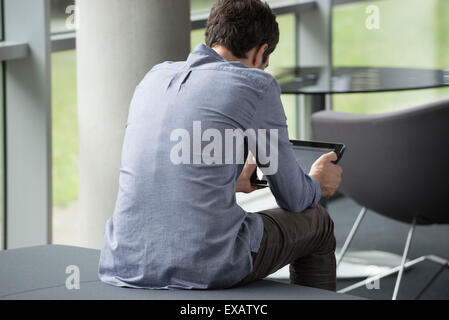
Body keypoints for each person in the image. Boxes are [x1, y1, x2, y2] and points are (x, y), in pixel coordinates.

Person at [98, 0, 342, 291]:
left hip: (125, 260)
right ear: (261, 52)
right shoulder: (256, 83)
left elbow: (165, 162)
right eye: (266, 62)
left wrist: (231, 179)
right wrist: (316, 182)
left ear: (213, 36)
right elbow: (293, 197)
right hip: (210, 263)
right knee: (317, 222)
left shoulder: (154, 76)